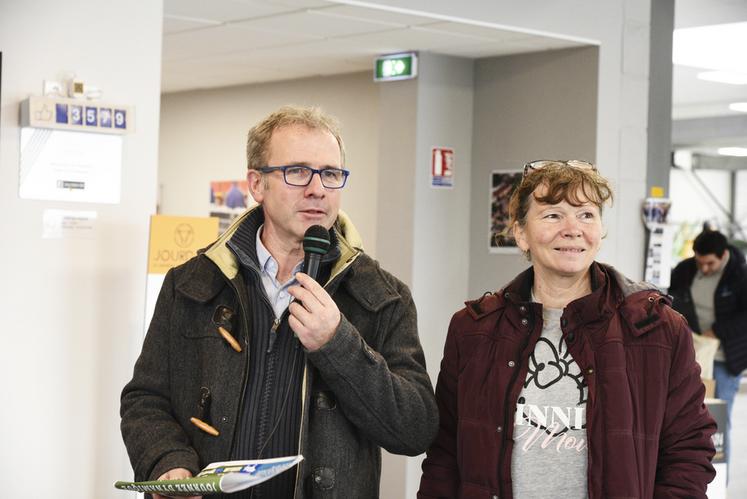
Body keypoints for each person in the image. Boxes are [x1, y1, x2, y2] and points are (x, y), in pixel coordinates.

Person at [121, 105, 438, 499]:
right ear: (257, 184)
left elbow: (415, 428)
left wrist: (338, 344)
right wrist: (168, 462)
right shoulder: (190, 283)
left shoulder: (382, 296)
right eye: (297, 172)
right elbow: (145, 398)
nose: (318, 188)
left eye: (331, 174)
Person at [418, 160, 716, 498]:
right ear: (520, 233)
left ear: (600, 231)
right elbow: (445, 454)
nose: (573, 228)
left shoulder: (657, 330)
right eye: (552, 215)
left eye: (586, 214)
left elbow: (689, 449)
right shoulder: (473, 329)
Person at [669, 229, 747, 467]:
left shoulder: (740, 274)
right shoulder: (684, 270)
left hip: (725, 358)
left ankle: (717, 479)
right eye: (699, 262)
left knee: (718, 419)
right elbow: (672, 301)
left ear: (723, 255)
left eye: (709, 264)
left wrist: (718, 330)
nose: (704, 269)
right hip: (692, 353)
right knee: (684, 416)